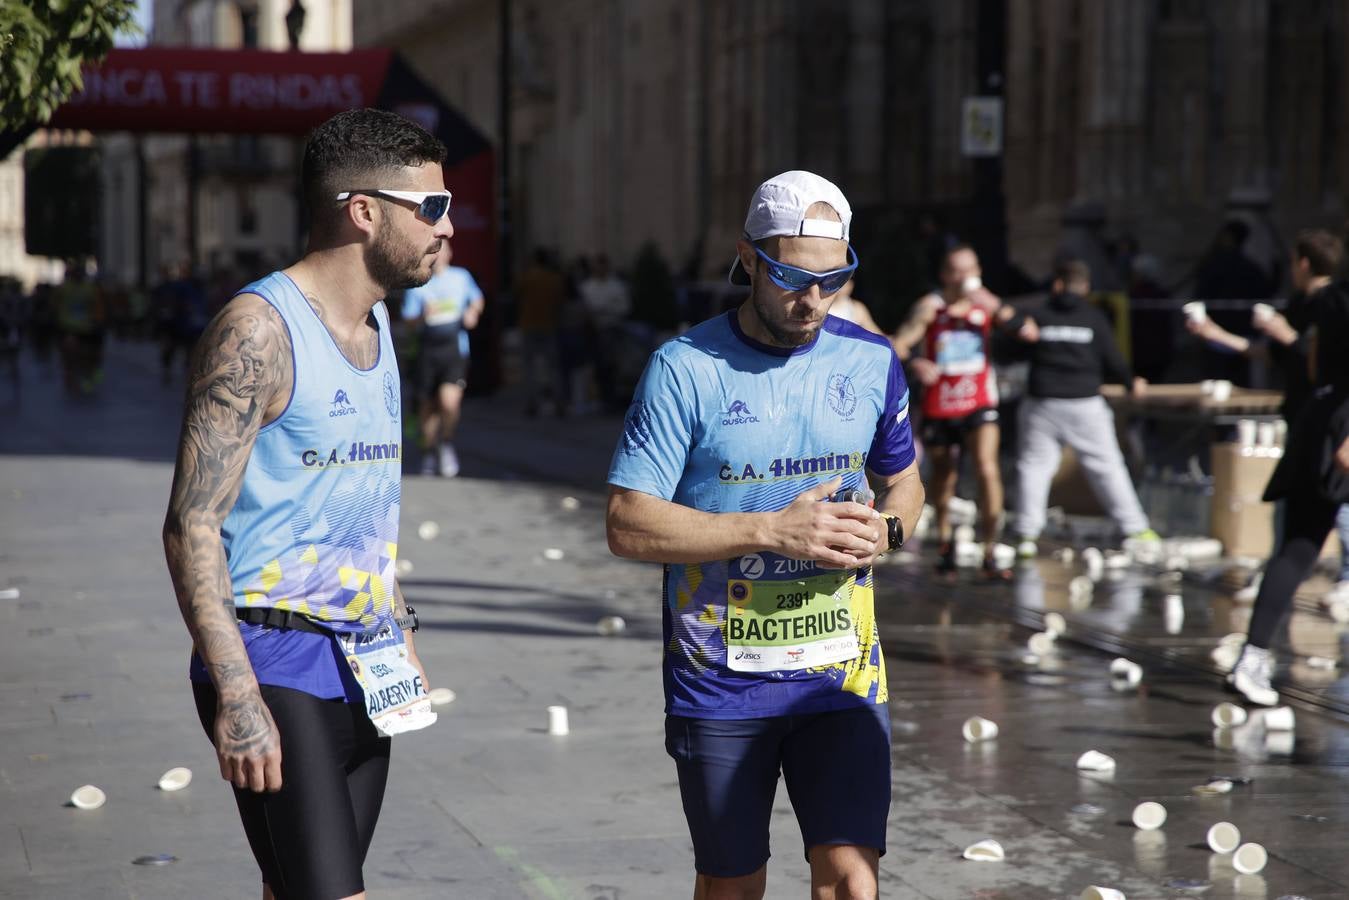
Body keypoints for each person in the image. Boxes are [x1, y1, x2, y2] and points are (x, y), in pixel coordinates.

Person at [607, 170, 924, 900]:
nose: (811, 300)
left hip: (841, 674)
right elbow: (626, 523)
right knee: (733, 884)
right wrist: (772, 529)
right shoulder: (683, 369)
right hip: (720, 679)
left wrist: (890, 530)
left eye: (833, 279)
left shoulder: (868, 359)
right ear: (747, 259)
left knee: (851, 881)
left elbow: (904, 480)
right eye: (788, 277)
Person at [162, 108, 447, 900]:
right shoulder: (256, 331)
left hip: (363, 660)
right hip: (274, 658)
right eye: (430, 208)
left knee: (294, 888)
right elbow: (191, 525)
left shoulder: (380, 324)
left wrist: (399, 624)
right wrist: (238, 695)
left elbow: (355, 502)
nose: (445, 229)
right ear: (363, 211)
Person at [1187, 230, 1347, 596]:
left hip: (1333, 423)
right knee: (1296, 515)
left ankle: (1344, 578)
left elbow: (1314, 360)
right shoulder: (1302, 303)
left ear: (1303, 262)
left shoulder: (1334, 303)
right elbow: (1264, 352)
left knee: (1338, 507)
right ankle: (1280, 580)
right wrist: (1211, 331)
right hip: (1305, 421)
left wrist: (1287, 334)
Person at [892, 244, 1034, 578]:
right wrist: (917, 361)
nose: (966, 277)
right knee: (945, 476)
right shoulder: (931, 307)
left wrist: (994, 304)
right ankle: (944, 541)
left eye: (972, 269)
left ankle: (990, 549)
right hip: (941, 403)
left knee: (987, 468)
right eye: (958, 271)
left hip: (979, 400)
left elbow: (1027, 331)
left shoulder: (985, 305)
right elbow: (898, 343)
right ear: (946, 275)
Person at [1011, 260, 1159, 557]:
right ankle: (1136, 528)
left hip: (1043, 402)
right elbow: (1113, 358)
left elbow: (1011, 347)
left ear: (1056, 284)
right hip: (1084, 403)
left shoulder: (1037, 316)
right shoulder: (1094, 317)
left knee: (1034, 467)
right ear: (1086, 287)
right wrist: (1131, 382)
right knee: (1106, 466)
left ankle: (1026, 533)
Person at [402, 240, 485, 477]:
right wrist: (421, 316)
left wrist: (472, 312)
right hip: (427, 351)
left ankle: (446, 444)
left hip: (454, 349)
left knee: (449, 403)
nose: (440, 254)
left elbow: (477, 299)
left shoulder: (461, 277)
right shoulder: (419, 281)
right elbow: (408, 320)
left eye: (444, 249)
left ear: (450, 253)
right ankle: (429, 450)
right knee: (428, 407)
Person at [515, 247, 566, 415]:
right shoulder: (555, 279)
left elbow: (517, 294)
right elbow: (560, 302)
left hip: (529, 324)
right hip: (549, 325)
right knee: (554, 367)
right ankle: (559, 402)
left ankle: (532, 403)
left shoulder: (528, 277)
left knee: (530, 368)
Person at [579, 254, 632, 411]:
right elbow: (584, 307)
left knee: (612, 366)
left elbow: (624, 307)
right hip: (593, 331)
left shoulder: (616, 286)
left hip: (611, 330)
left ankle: (612, 398)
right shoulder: (587, 286)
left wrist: (604, 309)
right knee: (597, 366)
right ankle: (602, 397)